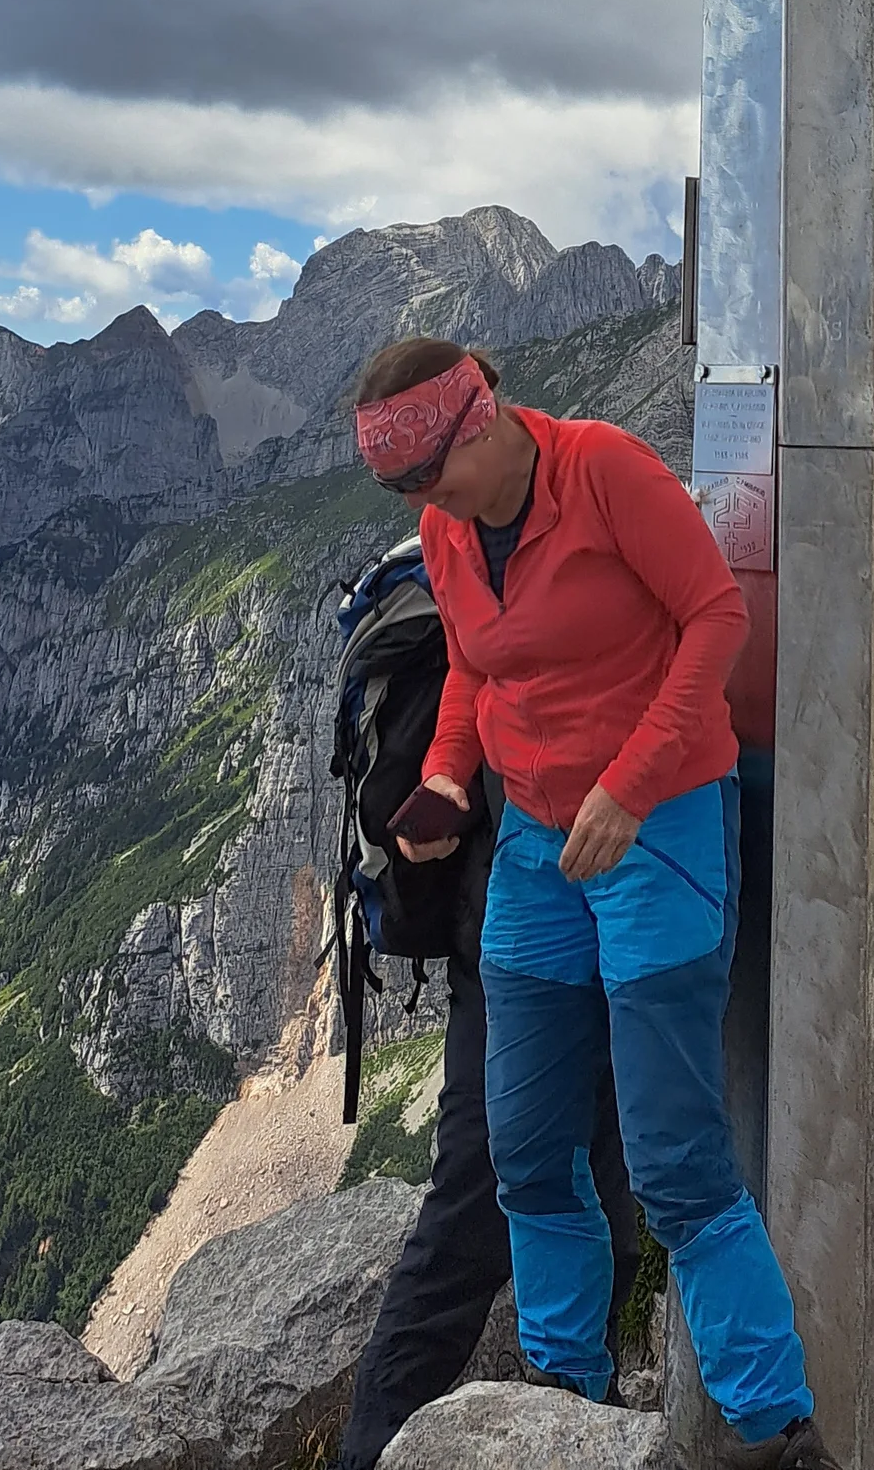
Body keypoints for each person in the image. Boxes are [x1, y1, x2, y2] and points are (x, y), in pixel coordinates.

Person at [353, 335, 832, 1470]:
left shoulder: (606, 470)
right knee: (525, 1145)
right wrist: (446, 776)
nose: (425, 502)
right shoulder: (448, 532)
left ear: (480, 417)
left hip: (659, 828)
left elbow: (716, 617)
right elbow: (474, 664)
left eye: (430, 473)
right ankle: (565, 1401)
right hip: (534, 840)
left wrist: (632, 784)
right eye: (403, 486)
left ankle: (777, 1430)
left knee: (674, 1161)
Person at [333, 505, 641, 1470]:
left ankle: (578, 1418)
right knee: (478, 1201)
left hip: (560, 941)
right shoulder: (523, 591)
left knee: (602, 1194)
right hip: (514, 946)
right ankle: (371, 1449)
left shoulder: (553, 562)